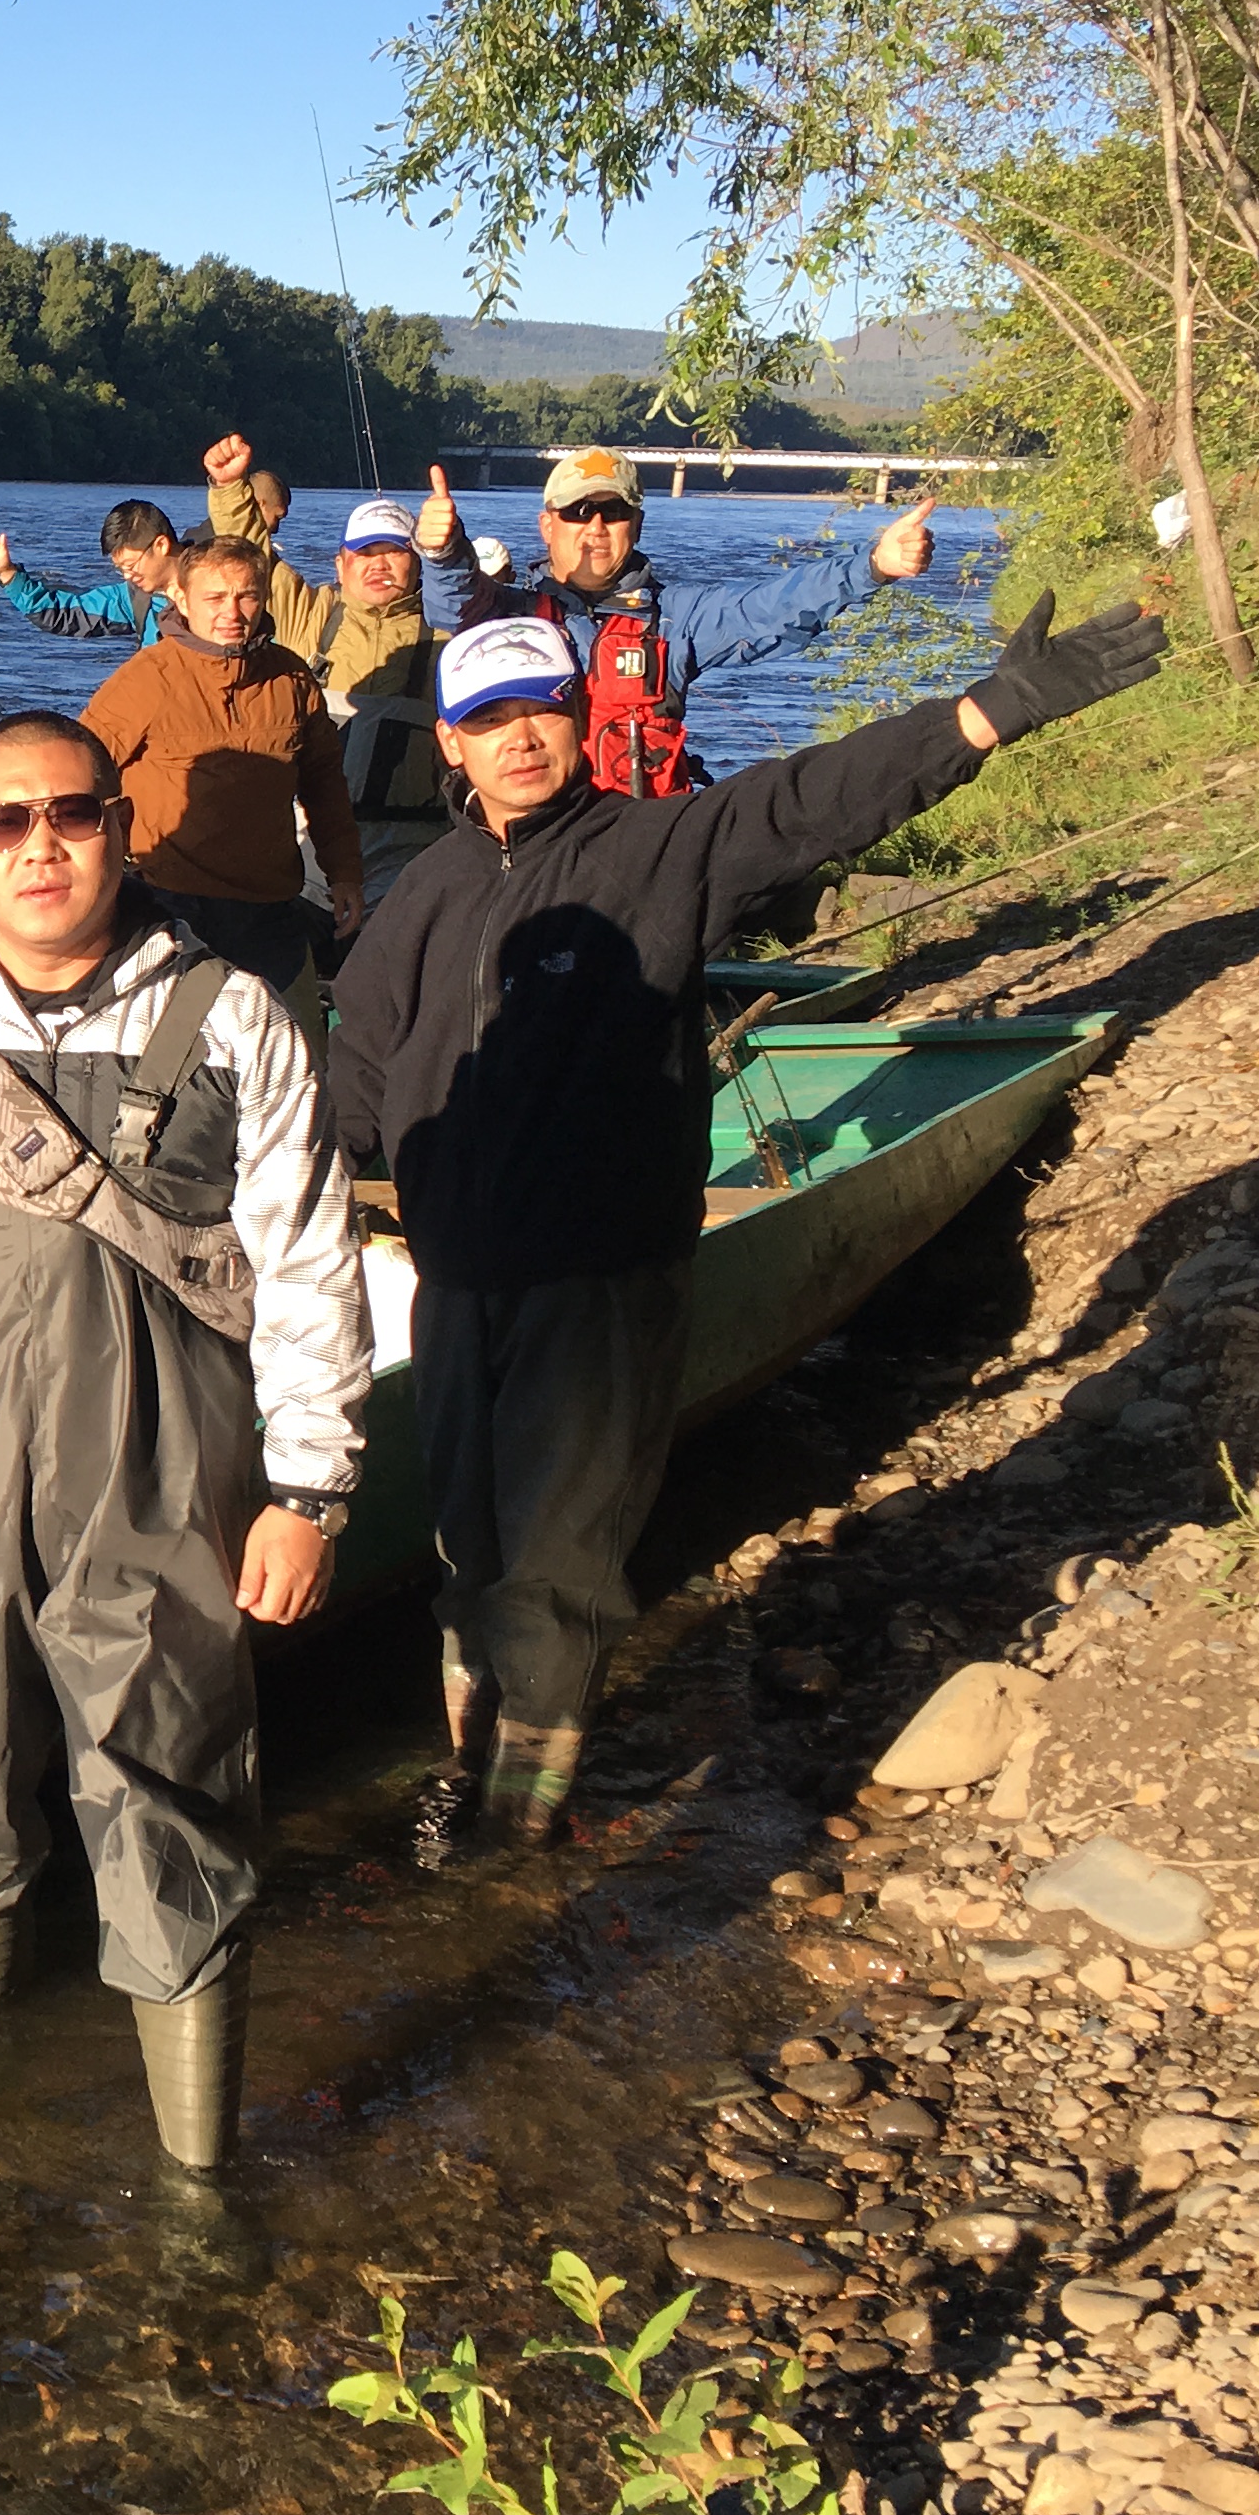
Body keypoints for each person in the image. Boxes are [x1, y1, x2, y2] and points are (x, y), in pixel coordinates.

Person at [331, 595, 1166, 1844]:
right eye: (489, 719)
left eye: (541, 711)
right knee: (469, 1550)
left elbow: (817, 798)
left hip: (599, 1275)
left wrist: (986, 715)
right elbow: (357, 1070)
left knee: (559, 1563)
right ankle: (471, 1764)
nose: (519, 739)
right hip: (455, 1276)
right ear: (451, 741)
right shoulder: (428, 890)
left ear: (581, 719)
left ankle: (521, 1825)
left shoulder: (661, 846)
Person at [0, 707, 370, 2170]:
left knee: (165, 1766)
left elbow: (310, 1265)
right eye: (4, 823)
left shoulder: (233, 1017)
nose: (41, 847)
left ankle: (197, 2182)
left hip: (163, 1459)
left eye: (73, 814)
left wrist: (309, 1489)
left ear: (119, 828)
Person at [421, 447, 943, 796]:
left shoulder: (677, 618)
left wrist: (872, 566)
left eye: (613, 512)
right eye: (578, 512)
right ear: (547, 526)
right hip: (539, 839)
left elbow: (771, 607)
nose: (595, 527)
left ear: (637, 524)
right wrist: (443, 551)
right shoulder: (507, 612)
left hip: (638, 837)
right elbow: (451, 606)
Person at [73, 535, 363, 995]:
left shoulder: (291, 677)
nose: (232, 612)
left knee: (291, 1037)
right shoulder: (146, 678)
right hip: (169, 901)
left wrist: (344, 873)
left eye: (247, 596)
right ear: (181, 598)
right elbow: (77, 776)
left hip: (269, 907)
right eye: (215, 598)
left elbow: (324, 784)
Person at [198, 434, 451, 889]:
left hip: (413, 845)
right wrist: (230, 487)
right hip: (310, 836)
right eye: (364, 553)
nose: (378, 565)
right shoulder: (309, 613)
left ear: (418, 563)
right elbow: (251, 552)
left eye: (394, 552)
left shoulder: (449, 636)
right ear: (340, 565)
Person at [0, 499, 180, 652]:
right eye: (120, 569)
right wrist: (7, 573)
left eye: (131, 565)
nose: (127, 576)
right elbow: (63, 614)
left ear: (161, 545)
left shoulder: (201, 589)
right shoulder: (135, 598)